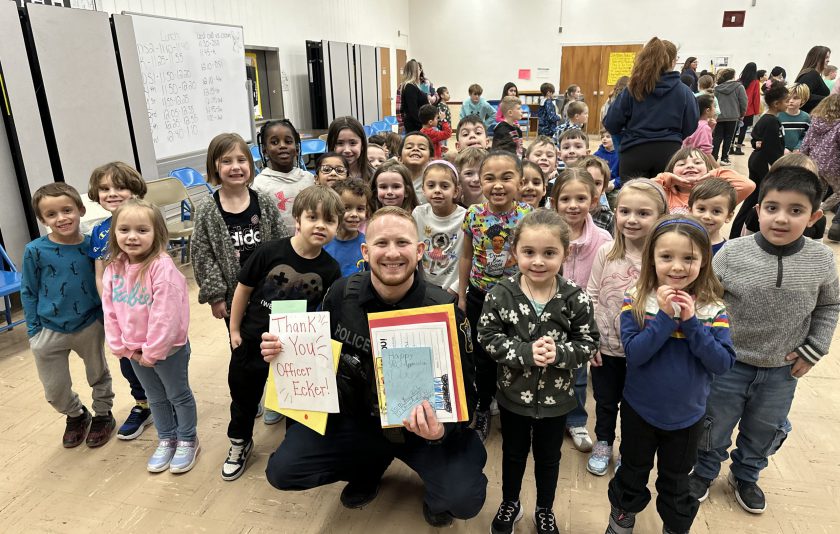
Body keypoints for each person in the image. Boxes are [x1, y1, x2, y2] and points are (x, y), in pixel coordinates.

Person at [262, 207, 487, 528]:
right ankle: (367, 466)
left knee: (461, 499)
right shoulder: (341, 294)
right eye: (381, 243)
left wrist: (441, 431)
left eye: (402, 243)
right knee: (283, 470)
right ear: (365, 252)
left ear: (420, 250)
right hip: (359, 421)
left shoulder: (444, 310)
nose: (392, 253)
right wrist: (283, 352)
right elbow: (316, 361)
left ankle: (440, 483)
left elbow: (468, 394)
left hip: (421, 432)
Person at [689, 167, 839, 514]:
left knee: (765, 429)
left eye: (796, 210)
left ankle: (746, 474)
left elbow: (830, 305)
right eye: (772, 208)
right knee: (714, 423)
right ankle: (705, 470)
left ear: (815, 217)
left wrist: (814, 349)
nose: (781, 219)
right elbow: (707, 298)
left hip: (782, 369)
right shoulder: (733, 252)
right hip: (729, 364)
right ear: (758, 211)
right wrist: (710, 344)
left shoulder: (821, 260)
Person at [605, 215, 735, 534]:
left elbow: (722, 363)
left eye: (689, 258)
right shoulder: (636, 299)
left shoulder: (712, 308)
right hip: (640, 410)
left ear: (704, 260)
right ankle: (622, 516)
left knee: (677, 481)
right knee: (632, 471)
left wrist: (691, 323)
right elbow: (635, 354)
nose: (677, 267)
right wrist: (665, 318)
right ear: (652, 258)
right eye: (666, 257)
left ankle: (675, 526)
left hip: (687, 417)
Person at [479, 209, 599, 534]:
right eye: (529, 252)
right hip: (512, 396)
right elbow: (487, 338)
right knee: (513, 453)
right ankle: (510, 502)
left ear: (565, 253)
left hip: (558, 400)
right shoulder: (500, 293)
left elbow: (588, 342)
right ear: (515, 251)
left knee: (549, 458)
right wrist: (524, 352)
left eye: (549, 253)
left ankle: (544, 508)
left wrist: (559, 353)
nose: (538, 261)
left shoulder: (575, 297)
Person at [223, 186, 342, 482]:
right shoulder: (269, 251)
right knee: (243, 396)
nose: (320, 225)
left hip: (293, 351)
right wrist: (234, 330)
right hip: (252, 340)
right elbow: (243, 290)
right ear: (297, 220)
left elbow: (325, 312)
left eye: (329, 221)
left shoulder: (330, 269)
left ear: (337, 227)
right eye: (313, 217)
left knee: (294, 401)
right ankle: (240, 442)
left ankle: (293, 449)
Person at [192, 133, 288, 425]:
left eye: (241, 160)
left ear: (251, 164)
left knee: (275, 344)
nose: (235, 167)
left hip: (270, 294)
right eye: (227, 161)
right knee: (242, 348)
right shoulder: (208, 209)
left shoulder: (265, 202)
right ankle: (248, 394)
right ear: (215, 166)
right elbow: (202, 252)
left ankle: (277, 394)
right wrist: (215, 295)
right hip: (234, 297)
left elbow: (282, 241)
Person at [102, 200, 198, 473]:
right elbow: (110, 311)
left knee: (178, 395)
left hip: (168, 350)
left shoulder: (161, 267)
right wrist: (122, 348)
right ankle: (167, 438)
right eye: (124, 229)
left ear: (157, 233)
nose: (132, 236)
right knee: (155, 397)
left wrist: (152, 352)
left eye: (142, 230)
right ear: (115, 233)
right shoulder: (114, 268)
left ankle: (188, 439)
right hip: (134, 351)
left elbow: (165, 317)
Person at [22, 183, 115, 449]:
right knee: (54, 390)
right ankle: (76, 415)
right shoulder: (35, 251)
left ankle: (102, 415)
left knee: (98, 374)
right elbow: (28, 290)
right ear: (42, 220)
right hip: (48, 329)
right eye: (51, 215)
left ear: (81, 210)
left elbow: (105, 281)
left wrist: (102, 318)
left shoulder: (92, 246)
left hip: (89, 324)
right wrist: (33, 330)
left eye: (67, 210)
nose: (61, 218)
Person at [585, 180, 667, 477]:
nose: (631, 219)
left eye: (643, 213)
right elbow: (592, 295)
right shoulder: (606, 251)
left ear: (660, 217)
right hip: (606, 346)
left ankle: (628, 449)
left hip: (644, 350)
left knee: (635, 405)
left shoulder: (662, 258)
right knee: (606, 401)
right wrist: (592, 339)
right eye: (624, 211)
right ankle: (604, 441)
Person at [458, 151, 533, 442]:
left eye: (506, 177)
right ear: (480, 181)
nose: (498, 185)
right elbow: (465, 256)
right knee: (483, 355)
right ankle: (483, 405)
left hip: (518, 298)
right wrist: (463, 294)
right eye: (489, 178)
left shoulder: (529, 216)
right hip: (480, 296)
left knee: (516, 353)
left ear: (520, 181)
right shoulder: (473, 215)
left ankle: (514, 406)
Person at [85, 162, 150, 440]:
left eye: (120, 187)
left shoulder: (147, 220)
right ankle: (143, 404)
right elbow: (100, 273)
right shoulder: (99, 231)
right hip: (117, 311)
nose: (112, 193)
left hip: (148, 309)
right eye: (105, 188)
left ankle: (167, 399)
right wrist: (110, 308)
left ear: (134, 189)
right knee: (128, 359)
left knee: (157, 355)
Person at [550, 168, 613, 452]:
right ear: (554, 201)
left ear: (594, 200)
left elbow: (605, 287)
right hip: (546, 317)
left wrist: (594, 329)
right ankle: (545, 417)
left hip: (580, 323)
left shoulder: (603, 240)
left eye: (580, 198)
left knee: (577, 376)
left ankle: (575, 420)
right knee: (544, 370)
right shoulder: (545, 232)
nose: (573, 205)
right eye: (565, 198)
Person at [603, 37, 699, 179]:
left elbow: (611, 122)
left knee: (633, 199)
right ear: (673, 62)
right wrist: (672, 137)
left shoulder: (633, 89)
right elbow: (691, 125)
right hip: (669, 153)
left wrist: (627, 137)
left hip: (634, 152)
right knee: (664, 198)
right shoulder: (684, 91)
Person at [730, 83, 789, 238]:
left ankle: (739, 232)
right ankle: (738, 234)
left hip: (758, 161)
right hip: (762, 164)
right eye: (786, 101)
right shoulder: (771, 121)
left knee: (753, 198)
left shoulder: (767, 119)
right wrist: (777, 168)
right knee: (754, 200)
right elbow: (771, 148)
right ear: (776, 104)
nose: (788, 103)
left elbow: (757, 138)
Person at [252, 119, 314, 234]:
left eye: (288, 141)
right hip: (277, 247)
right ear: (265, 150)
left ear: (296, 148)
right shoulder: (259, 184)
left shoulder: (309, 179)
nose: (282, 146)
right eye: (274, 142)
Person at [653, 147, 755, 215]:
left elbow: (747, 185)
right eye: (681, 164)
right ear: (672, 171)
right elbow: (639, 191)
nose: (690, 165)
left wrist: (715, 174)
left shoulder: (718, 194)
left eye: (697, 162)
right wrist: (663, 178)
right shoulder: (664, 193)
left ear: (708, 169)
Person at [412, 160, 466, 291]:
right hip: (424, 287)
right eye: (431, 186)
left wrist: (456, 288)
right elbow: (413, 250)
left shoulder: (466, 217)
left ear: (456, 191)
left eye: (444, 186)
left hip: (453, 289)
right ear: (423, 190)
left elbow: (469, 256)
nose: (437, 190)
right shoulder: (418, 214)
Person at [801, 94, 840, 240]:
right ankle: (817, 212)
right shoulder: (838, 126)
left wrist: (804, 159)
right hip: (833, 165)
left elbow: (806, 143)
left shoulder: (815, 122)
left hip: (814, 162)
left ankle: (811, 213)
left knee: (818, 192)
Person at [325, 179, 371, 277]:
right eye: (346, 208)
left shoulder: (367, 244)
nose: (354, 214)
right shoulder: (323, 242)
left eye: (360, 209)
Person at [689, 178, 737, 254]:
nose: (707, 216)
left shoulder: (728, 253)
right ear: (690, 211)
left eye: (716, 211)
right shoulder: (678, 242)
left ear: (729, 216)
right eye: (701, 209)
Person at [712, 68, 747, 165]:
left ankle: (713, 157)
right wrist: (742, 114)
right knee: (729, 138)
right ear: (733, 76)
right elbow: (743, 102)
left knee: (717, 137)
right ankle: (724, 158)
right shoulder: (739, 87)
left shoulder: (717, 88)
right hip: (733, 116)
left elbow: (714, 103)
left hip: (719, 116)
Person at [327, 116, 373, 182]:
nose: (347, 150)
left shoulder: (374, 177)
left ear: (362, 145)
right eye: (339, 143)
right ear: (331, 145)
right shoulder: (325, 178)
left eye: (353, 143)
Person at [731, 62, 761, 156]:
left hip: (737, 109)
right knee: (743, 129)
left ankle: (731, 147)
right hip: (749, 109)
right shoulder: (755, 82)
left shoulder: (739, 80)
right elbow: (756, 97)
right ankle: (738, 148)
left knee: (734, 128)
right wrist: (756, 110)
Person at [581, 155, 616, 234]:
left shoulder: (608, 218)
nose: (591, 187)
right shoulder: (568, 211)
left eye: (597, 183)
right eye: (586, 181)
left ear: (603, 188)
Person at [795, 45, 831, 113]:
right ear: (818, 59)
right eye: (826, 57)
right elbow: (803, 95)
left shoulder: (812, 74)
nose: (828, 60)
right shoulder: (811, 74)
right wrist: (828, 99)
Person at [399, 131, 434, 202]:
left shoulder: (434, 184)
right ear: (400, 159)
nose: (415, 149)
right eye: (409, 147)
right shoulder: (393, 182)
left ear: (430, 160)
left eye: (422, 148)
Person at [778, 83, 811, 151]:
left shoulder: (806, 118)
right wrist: (783, 148)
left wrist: (798, 147)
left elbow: (805, 136)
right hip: (779, 152)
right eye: (788, 97)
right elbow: (773, 135)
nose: (791, 101)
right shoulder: (778, 115)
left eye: (795, 98)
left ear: (803, 100)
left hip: (796, 155)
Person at [398, 59, 427, 133]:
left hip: (417, 125)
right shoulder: (410, 87)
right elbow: (413, 111)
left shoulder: (414, 86)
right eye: (418, 69)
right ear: (414, 71)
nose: (420, 71)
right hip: (416, 127)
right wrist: (423, 124)